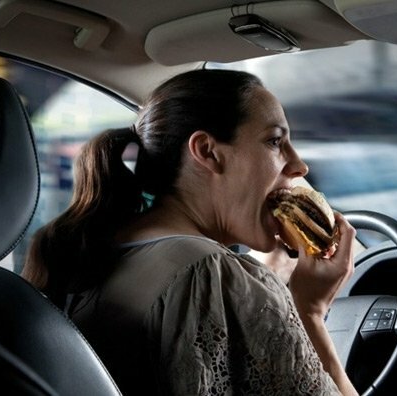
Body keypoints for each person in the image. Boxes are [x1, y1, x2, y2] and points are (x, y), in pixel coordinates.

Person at [22, 69, 358, 395]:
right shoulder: (212, 273)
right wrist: (308, 309)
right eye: (275, 141)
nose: (299, 165)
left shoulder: (97, 247)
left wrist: (263, 287)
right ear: (207, 151)